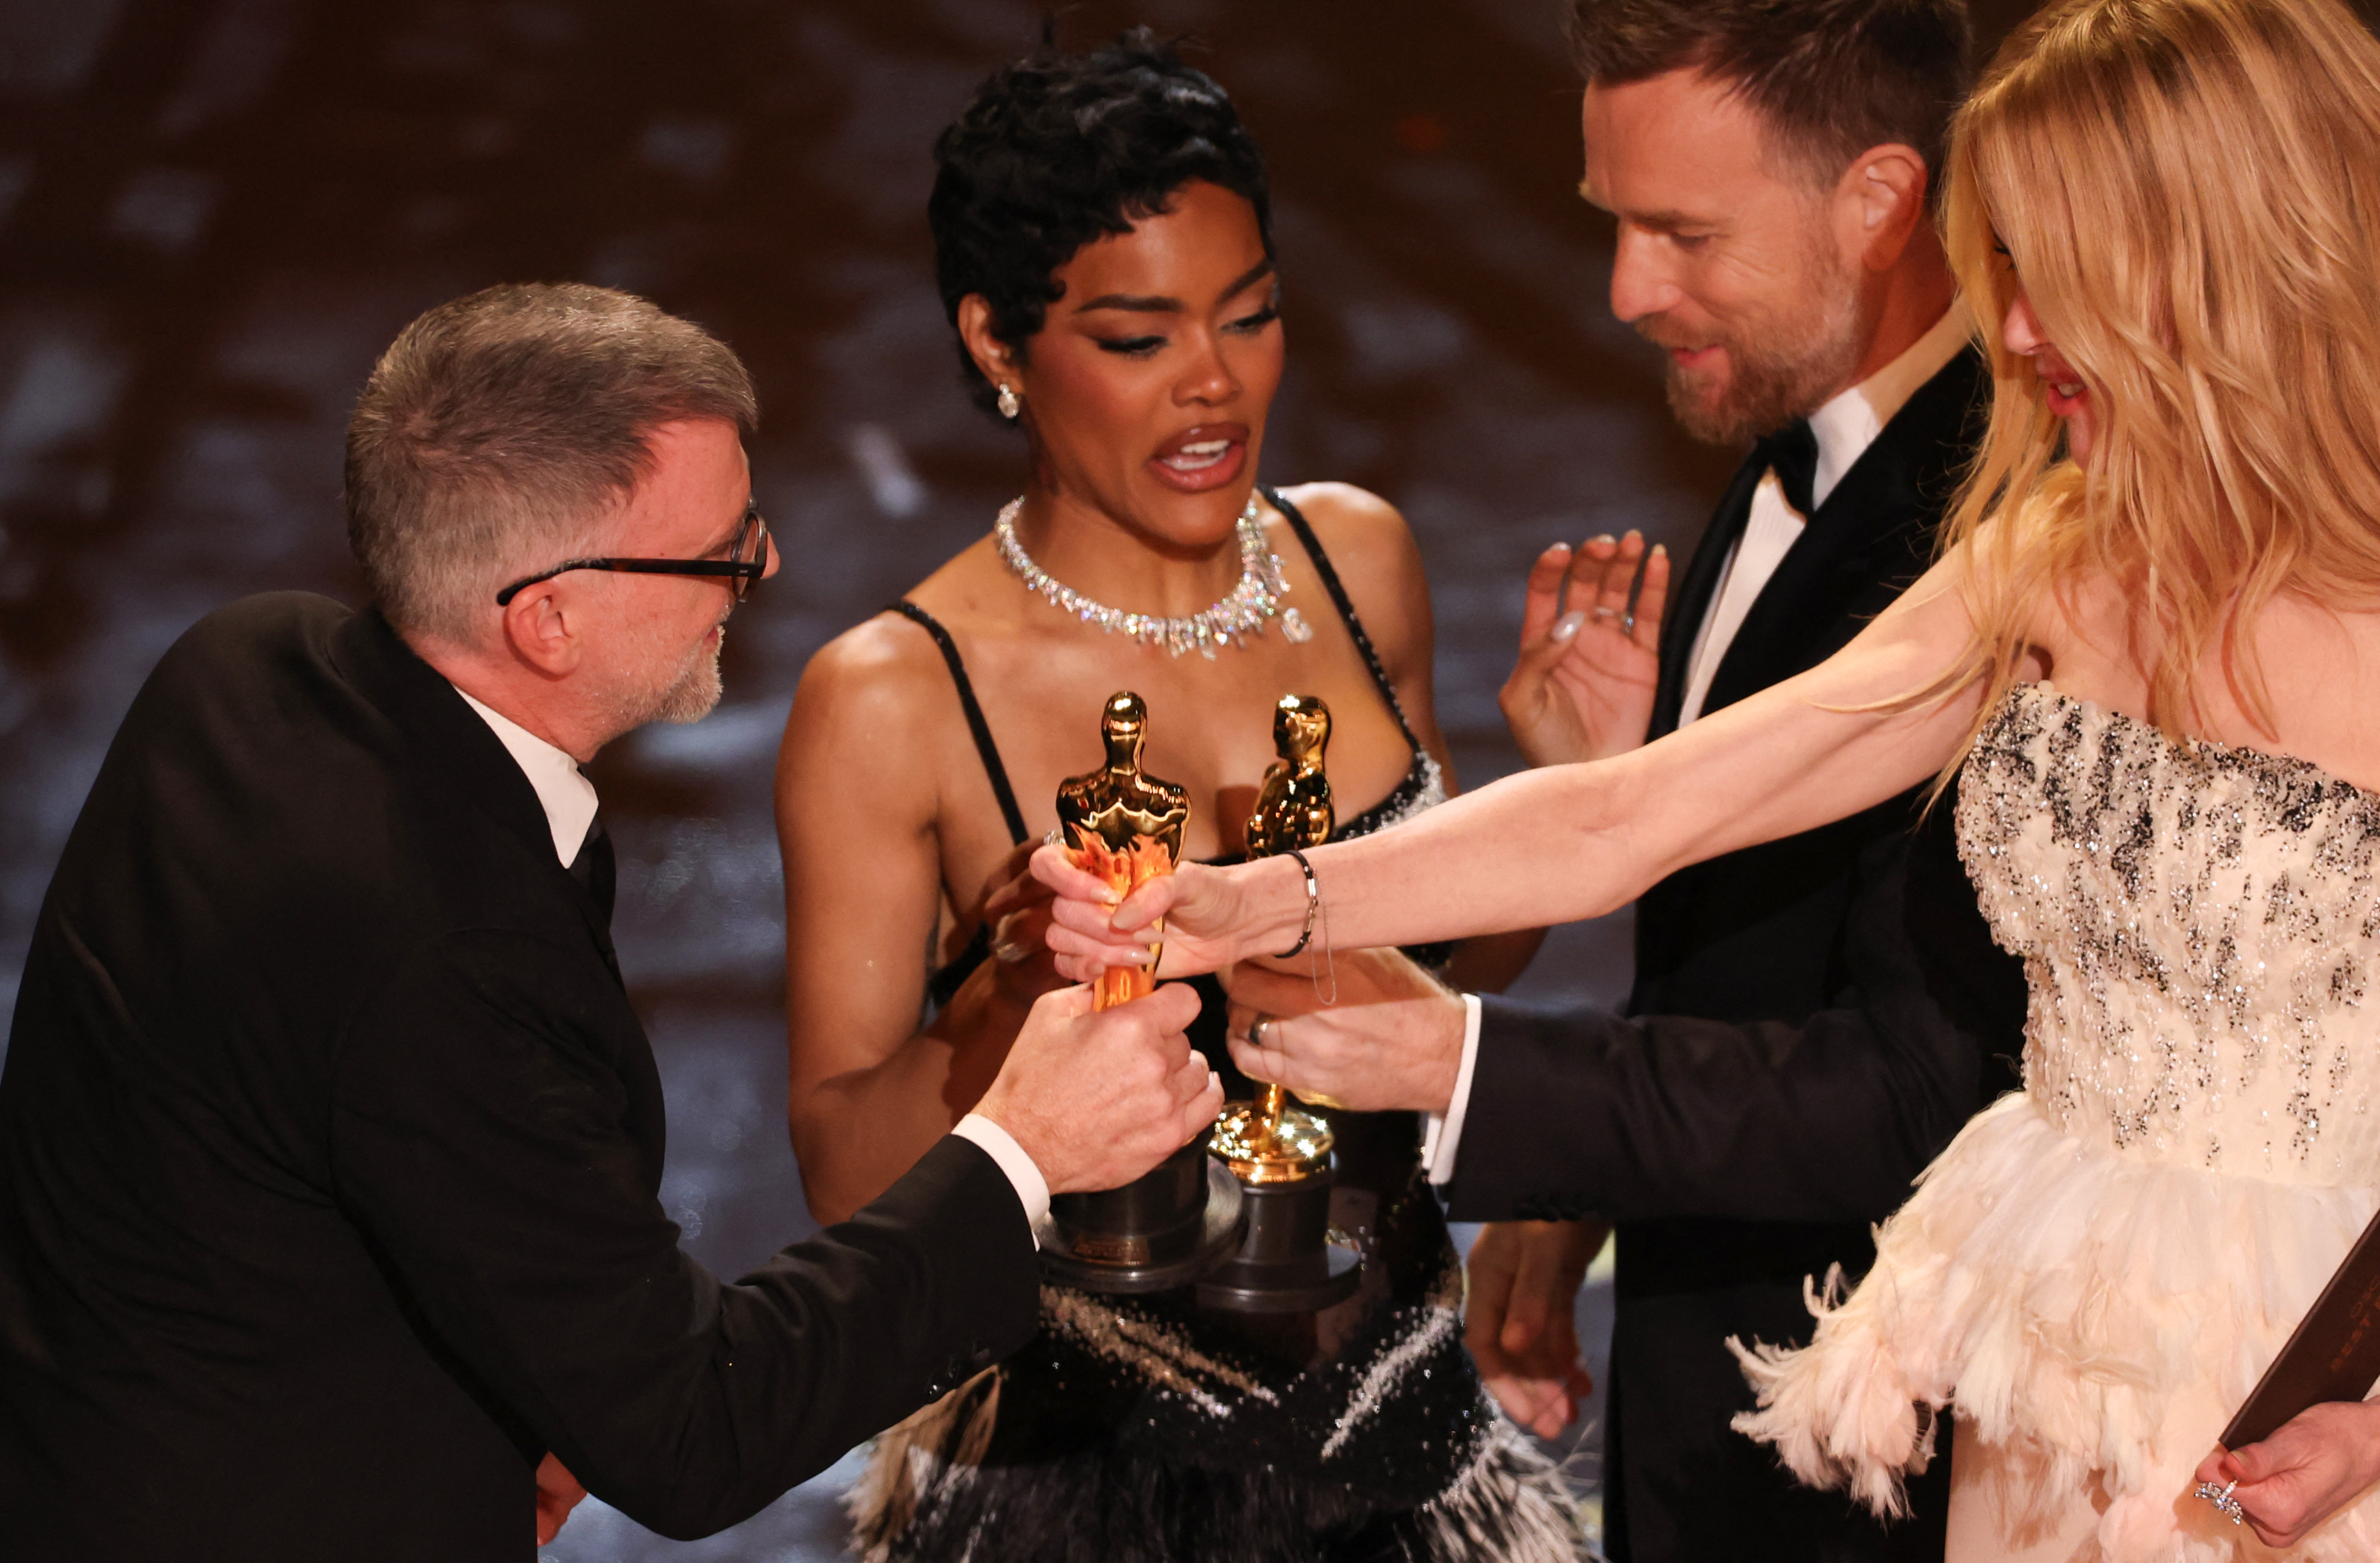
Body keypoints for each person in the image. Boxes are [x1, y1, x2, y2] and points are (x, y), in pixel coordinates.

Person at [1037, 0, 2380, 1556]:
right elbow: (1640, 811)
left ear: (2229, 260)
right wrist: (1247, 898)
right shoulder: (2050, 561)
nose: (2011, 331)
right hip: (2052, 1372)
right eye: (2004, 265)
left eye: (2055, 271)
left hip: (2314, 1399)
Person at [0, 282, 1220, 1561]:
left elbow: (261, 1142)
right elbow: (695, 1429)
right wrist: (1025, 1152)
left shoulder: (248, 665)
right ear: (546, 619)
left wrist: (531, 1386)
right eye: (725, 546)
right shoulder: (443, 951)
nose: (768, 564)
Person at [774, 32, 1579, 1563]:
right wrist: (1017, 986)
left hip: (1400, 1459)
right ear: (1000, 346)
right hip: (1072, 1498)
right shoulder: (893, 696)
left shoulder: (1361, 562)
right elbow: (846, 1187)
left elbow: (1451, 980)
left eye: (1253, 315)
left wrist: (1564, 785)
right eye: (1141, 339)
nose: (1216, 383)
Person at [1239, 1, 2025, 1557]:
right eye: (1615, 226)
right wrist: (1576, 1181)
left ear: (1878, 202)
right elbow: (1771, 950)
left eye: (1682, 234)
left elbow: (1927, 1090)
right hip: (1713, 1406)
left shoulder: (2005, 529)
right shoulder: (1808, 440)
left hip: (1896, 1459)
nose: (1623, 292)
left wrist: (1458, 1070)